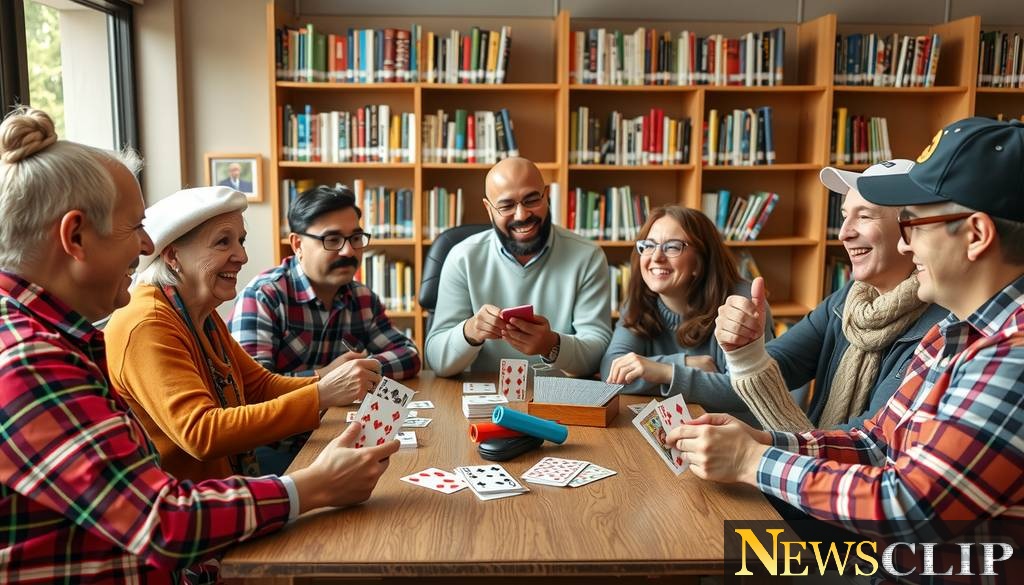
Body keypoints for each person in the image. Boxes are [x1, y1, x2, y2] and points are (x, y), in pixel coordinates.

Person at [0, 107, 398, 583]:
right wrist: (309, 485)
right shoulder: (31, 358)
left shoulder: (73, 335)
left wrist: (323, 387)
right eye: (134, 228)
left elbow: (257, 386)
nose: (144, 245)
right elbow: (166, 518)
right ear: (76, 236)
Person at [668, 117, 1024, 545]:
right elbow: (875, 443)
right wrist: (762, 440)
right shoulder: (956, 329)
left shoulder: (1012, 354)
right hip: (878, 552)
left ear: (976, 234)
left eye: (914, 224)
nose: (907, 246)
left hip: (897, 563)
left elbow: (910, 506)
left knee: (728, 555)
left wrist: (751, 460)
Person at [104, 186, 384, 482]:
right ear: (173, 255)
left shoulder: (198, 312)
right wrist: (321, 393)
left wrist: (327, 385)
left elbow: (258, 386)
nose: (242, 256)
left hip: (223, 488)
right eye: (223, 243)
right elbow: (202, 433)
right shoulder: (149, 322)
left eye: (240, 241)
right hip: (188, 509)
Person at [683, 160, 947, 431]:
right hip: (813, 462)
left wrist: (755, 447)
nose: (844, 233)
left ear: (912, 228)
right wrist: (746, 348)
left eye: (865, 216)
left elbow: (871, 441)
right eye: (845, 215)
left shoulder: (942, 330)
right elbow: (778, 364)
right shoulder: (847, 301)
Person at [229, 185, 420, 473]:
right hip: (271, 449)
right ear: (297, 244)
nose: (348, 251)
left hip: (336, 435)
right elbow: (249, 394)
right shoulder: (264, 297)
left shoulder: (361, 297)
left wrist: (362, 372)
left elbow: (409, 354)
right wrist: (325, 379)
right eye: (332, 239)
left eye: (355, 238)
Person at [424, 157, 611, 376]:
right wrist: (471, 331)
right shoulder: (462, 258)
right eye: (506, 205)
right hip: (485, 399)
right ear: (489, 208)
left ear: (547, 195)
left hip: (560, 401)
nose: (522, 215)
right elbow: (437, 361)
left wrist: (551, 345)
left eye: (532, 200)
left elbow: (598, 353)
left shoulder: (588, 256)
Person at [600, 206, 775, 397]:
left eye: (673, 247)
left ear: (701, 260)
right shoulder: (641, 300)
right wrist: (685, 364)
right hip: (680, 424)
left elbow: (745, 391)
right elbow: (612, 371)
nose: (656, 257)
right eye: (649, 245)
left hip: (736, 425)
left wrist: (665, 372)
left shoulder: (740, 303)